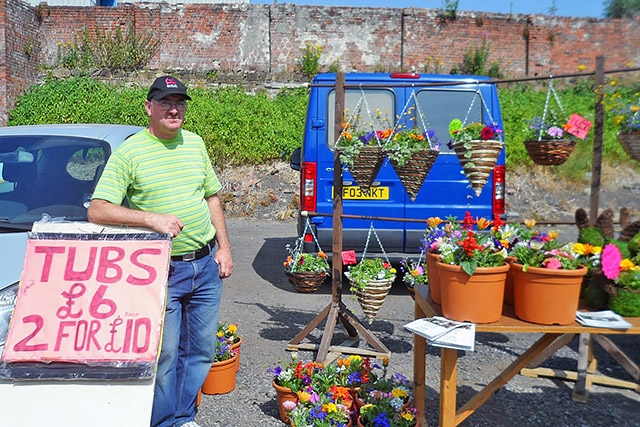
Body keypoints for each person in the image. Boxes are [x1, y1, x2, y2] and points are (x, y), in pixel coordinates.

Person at [88, 75, 233, 427]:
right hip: (159, 271)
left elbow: (211, 195)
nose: (174, 109)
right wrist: (150, 218)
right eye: (166, 102)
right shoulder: (131, 151)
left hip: (205, 265)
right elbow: (98, 209)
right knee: (164, 355)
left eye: (180, 102)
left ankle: (182, 416)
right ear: (148, 108)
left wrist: (224, 247)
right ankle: (161, 421)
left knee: (199, 351)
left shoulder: (195, 143)